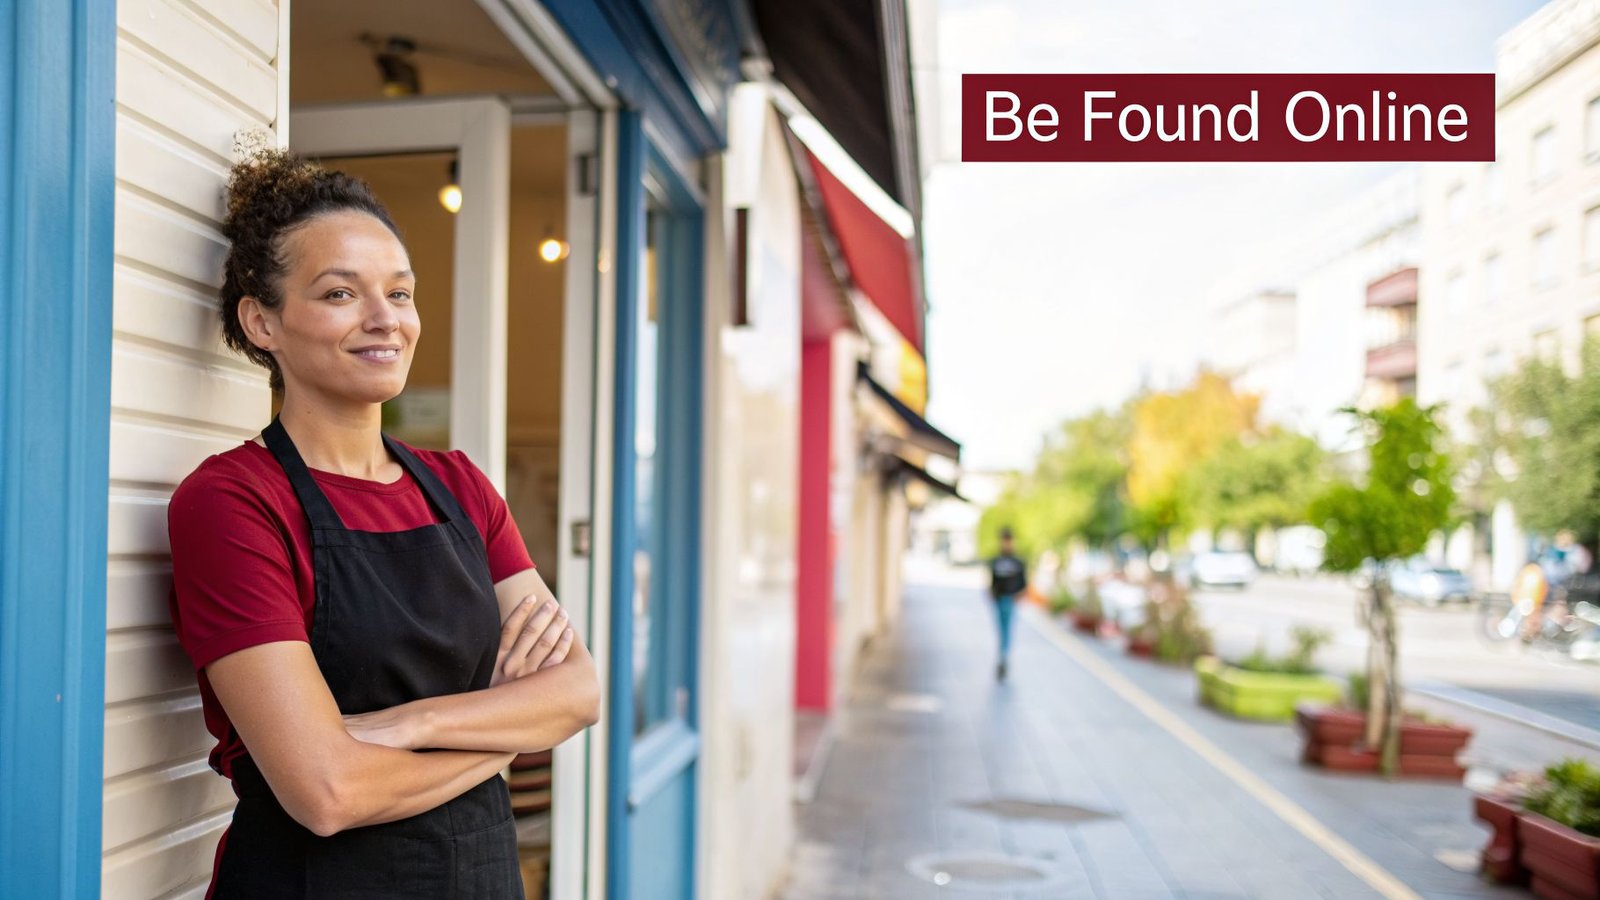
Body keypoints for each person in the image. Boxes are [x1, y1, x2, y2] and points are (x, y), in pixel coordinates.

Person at [167, 150, 600, 898]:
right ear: (261, 321)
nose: (385, 320)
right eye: (341, 293)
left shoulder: (462, 488)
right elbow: (327, 792)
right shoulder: (234, 502)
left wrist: (414, 724)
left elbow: (578, 693)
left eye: (400, 292)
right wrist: (503, 735)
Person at [988, 527, 1029, 680]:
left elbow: (1023, 584)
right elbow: (992, 581)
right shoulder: (996, 561)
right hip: (999, 600)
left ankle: (1003, 656)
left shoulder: (1017, 562)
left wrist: (1018, 596)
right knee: (1001, 629)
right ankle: (1002, 654)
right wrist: (992, 593)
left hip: (1010, 600)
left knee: (1007, 630)